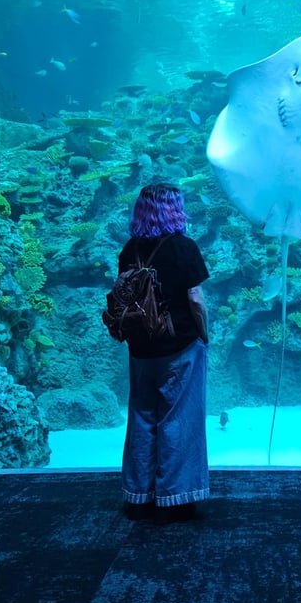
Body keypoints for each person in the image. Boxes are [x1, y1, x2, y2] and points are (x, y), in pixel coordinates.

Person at [116, 183, 210, 523]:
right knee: (178, 418)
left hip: (141, 348)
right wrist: (203, 333)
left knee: (142, 416)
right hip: (178, 346)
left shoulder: (130, 250)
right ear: (175, 209)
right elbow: (195, 299)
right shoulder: (183, 247)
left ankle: (138, 494)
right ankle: (176, 496)